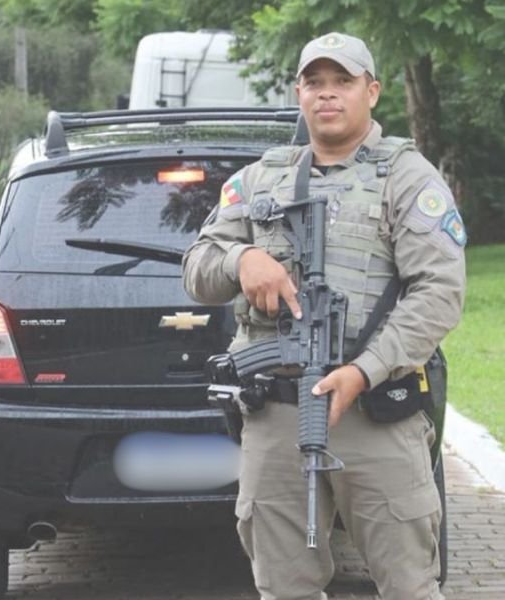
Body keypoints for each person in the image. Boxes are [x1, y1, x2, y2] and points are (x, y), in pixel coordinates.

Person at [183, 33, 465, 600]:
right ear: (299, 93)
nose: (327, 94)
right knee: (284, 587)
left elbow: (439, 292)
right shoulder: (260, 179)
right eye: (315, 82)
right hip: (278, 416)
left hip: (375, 413)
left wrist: (364, 370)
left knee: (409, 586)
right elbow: (198, 268)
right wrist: (243, 259)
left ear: (372, 91)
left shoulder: (407, 178)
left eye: (343, 81)